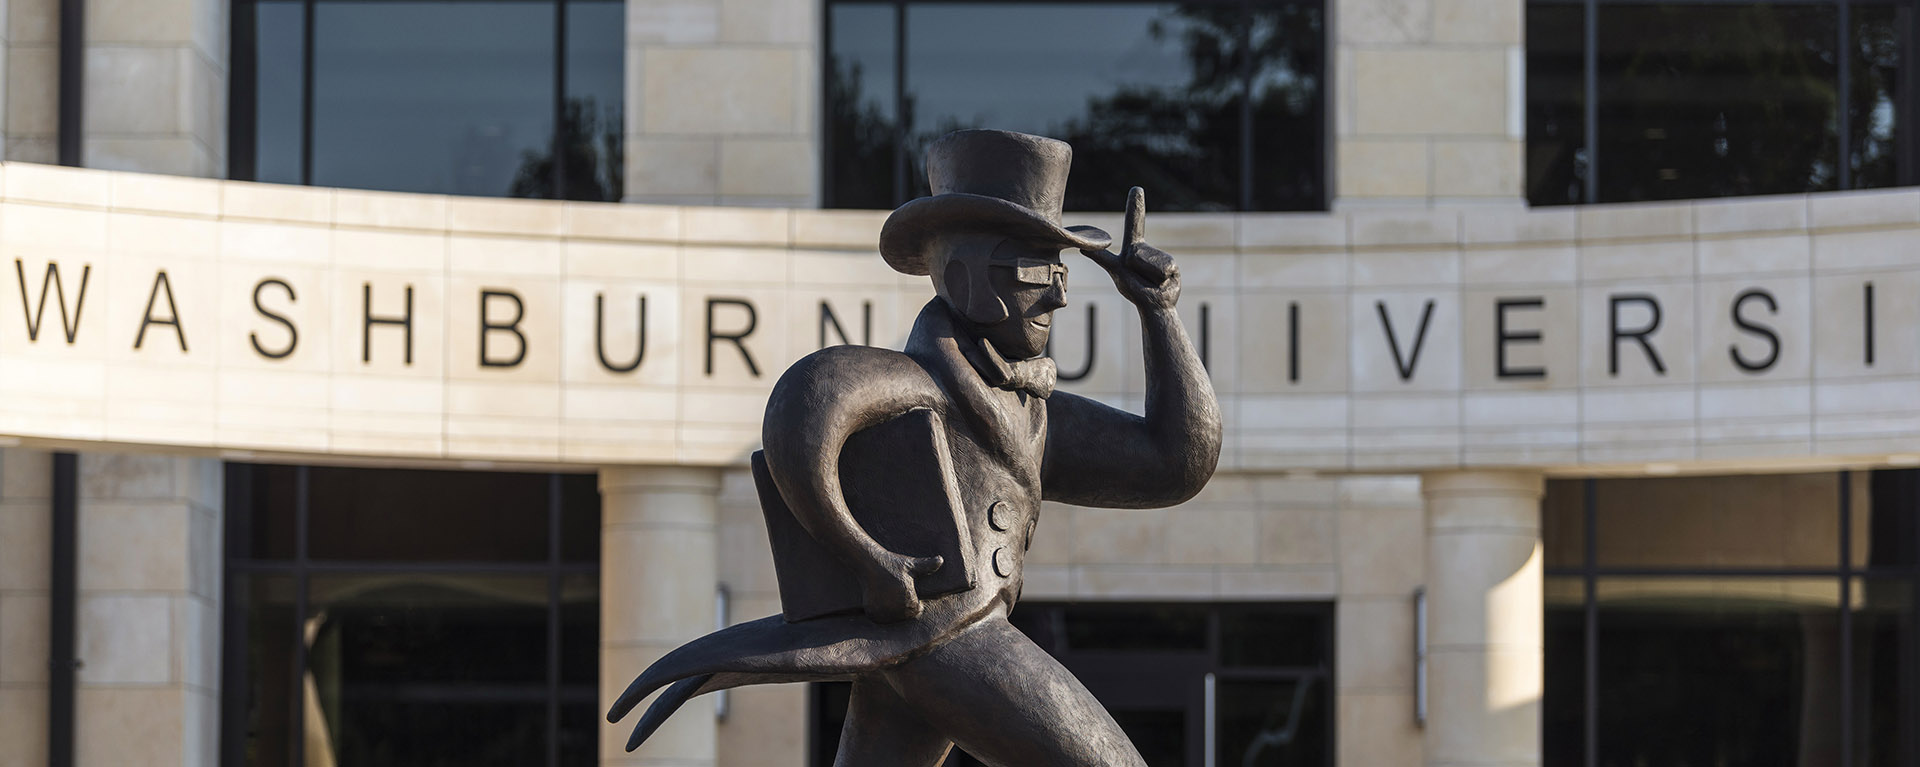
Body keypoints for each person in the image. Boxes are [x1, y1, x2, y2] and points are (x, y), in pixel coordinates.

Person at [607, 129, 1221, 767]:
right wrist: (868, 558)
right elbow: (797, 418)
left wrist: (1159, 313)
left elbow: (1174, 463)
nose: (1060, 295)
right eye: (1037, 272)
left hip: (923, 642)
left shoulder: (1032, 413)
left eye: (1062, 273)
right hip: (953, 635)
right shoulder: (908, 383)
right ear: (965, 277)